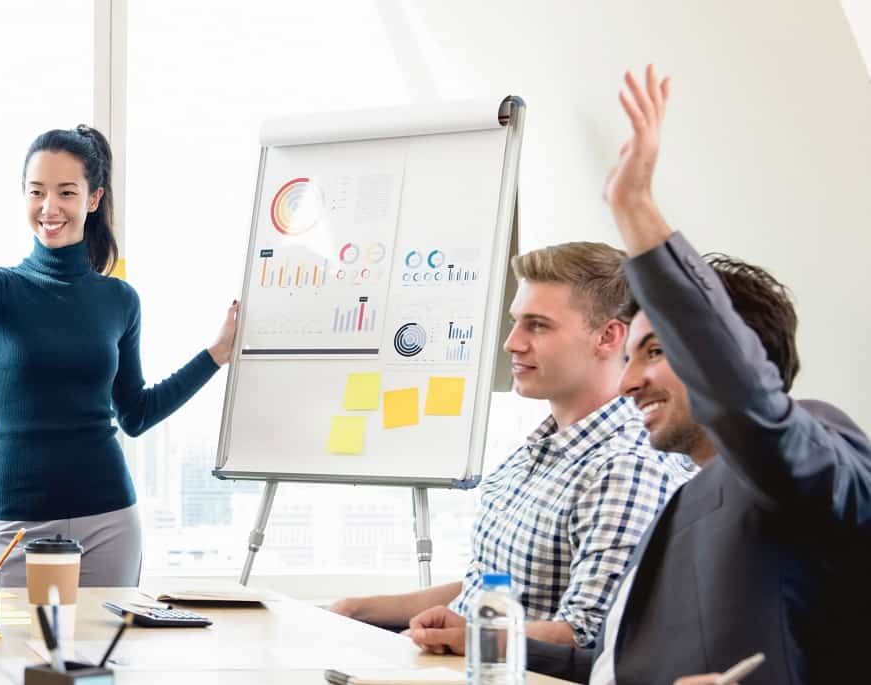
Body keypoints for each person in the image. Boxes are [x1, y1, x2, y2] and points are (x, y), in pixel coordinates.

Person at [408, 65, 871, 685]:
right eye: (632, 357)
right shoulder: (691, 494)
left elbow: (748, 403)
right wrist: (481, 642)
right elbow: (612, 663)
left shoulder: (812, 450)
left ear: (732, 352)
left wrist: (636, 212)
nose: (628, 382)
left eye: (655, 351)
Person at [0, 125, 238, 586]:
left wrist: (216, 354)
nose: (49, 207)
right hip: (21, 521)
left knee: (100, 655)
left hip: (109, 518)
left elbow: (135, 413)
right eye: (37, 192)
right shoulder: (2, 285)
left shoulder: (119, 299)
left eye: (66, 192)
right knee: (5, 653)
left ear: (93, 199)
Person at [331, 242, 693, 648]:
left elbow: (588, 635)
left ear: (608, 337)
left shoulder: (626, 466)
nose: (512, 343)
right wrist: (357, 610)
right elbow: (482, 589)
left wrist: (470, 636)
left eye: (537, 325)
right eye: (516, 322)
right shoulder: (530, 457)